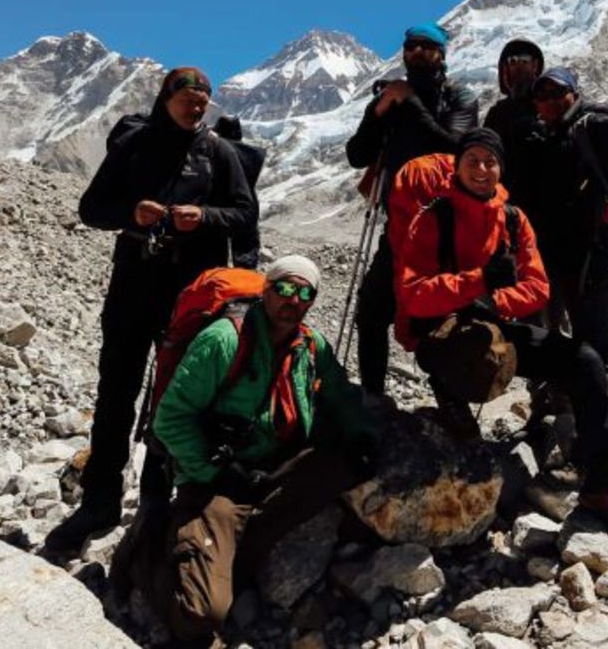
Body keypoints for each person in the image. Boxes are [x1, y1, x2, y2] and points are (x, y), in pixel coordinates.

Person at [42, 68, 258, 561]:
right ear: (166, 99)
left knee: (175, 394)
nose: (196, 107)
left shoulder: (219, 153)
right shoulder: (134, 145)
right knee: (116, 388)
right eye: (187, 98)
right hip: (134, 281)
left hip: (191, 292)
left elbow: (246, 215)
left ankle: (156, 502)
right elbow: (91, 208)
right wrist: (129, 214)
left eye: (203, 101)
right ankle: (100, 501)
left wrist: (204, 218)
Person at [395, 128, 608, 533]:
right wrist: (476, 283)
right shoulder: (433, 218)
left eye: (490, 161)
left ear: (500, 169)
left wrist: (494, 304)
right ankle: (451, 398)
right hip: (444, 332)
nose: (481, 168)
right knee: (475, 358)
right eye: (472, 160)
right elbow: (412, 295)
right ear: (457, 166)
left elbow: (537, 288)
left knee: (584, 362)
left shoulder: (513, 219)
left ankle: (601, 486)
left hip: (497, 325)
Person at [147, 255, 373, 642]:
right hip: (217, 479)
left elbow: (340, 395)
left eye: (305, 293)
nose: (294, 300)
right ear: (266, 290)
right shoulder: (224, 340)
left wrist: (362, 438)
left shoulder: (310, 346)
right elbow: (170, 419)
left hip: (269, 470)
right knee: (203, 614)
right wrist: (214, 471)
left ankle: (232, 555)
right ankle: (148, 557)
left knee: (343, 465)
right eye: (285, 288)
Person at [516, 66, 608, 454]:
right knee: (603, 341)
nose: (548, 100)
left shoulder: (592, 128)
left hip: (591, 261)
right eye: (541, 94)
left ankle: (601, 441)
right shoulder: (549, 137)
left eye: (556, 92)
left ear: (574, 93)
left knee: (595, 349)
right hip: (562, 260)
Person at [345, 22, 479, 394]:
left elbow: (453, 146)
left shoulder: (459, 98)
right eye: (411, 46)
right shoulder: (391, 99)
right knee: (371, 313)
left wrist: (409, 103)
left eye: (426, 46)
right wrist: (378, 112)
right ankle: (373, 396)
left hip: (447, 229)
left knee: (440, 318)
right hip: (399, 226)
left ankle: (451, 401)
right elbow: (357, 155)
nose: (417, 52)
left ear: (441, 54)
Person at [482, 38, 544, 197]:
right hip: (507, 198)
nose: (519, 66)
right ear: (505, 68)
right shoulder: (497, 112)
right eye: (513, 61)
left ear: (535, 66)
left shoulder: (549, 102)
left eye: (525, 60)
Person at [212, 114, 265, 269]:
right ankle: (244, 283)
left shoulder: (217, 149)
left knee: (215, 248)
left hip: (219, 203)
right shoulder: (251, 153)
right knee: (246, 250)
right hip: (247, 201)